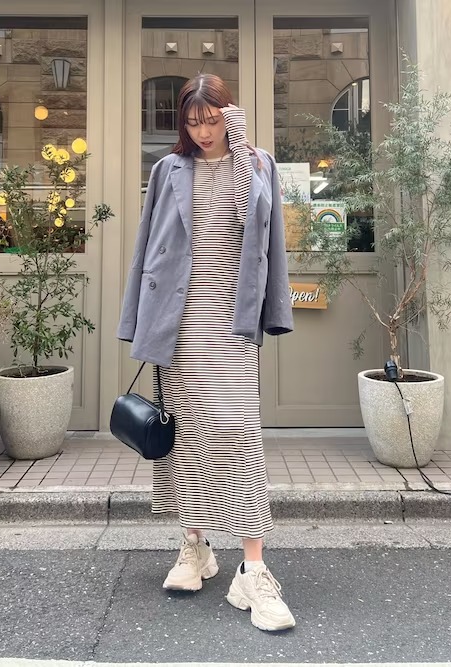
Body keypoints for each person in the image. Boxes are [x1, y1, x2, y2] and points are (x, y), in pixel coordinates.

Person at [117, 73, 295, 632]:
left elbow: (270, 240)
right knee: (188, 436)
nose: (203, 132)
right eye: (193, 123)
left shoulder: (257, 166)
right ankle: (194, 546)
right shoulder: (168, 170)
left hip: (231, 324)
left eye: (213, 120)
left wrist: (276, 313)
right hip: (177, 324)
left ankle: (253, 570)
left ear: (229, 116)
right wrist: (136, 320)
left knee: (240, 436)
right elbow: (146, 248)